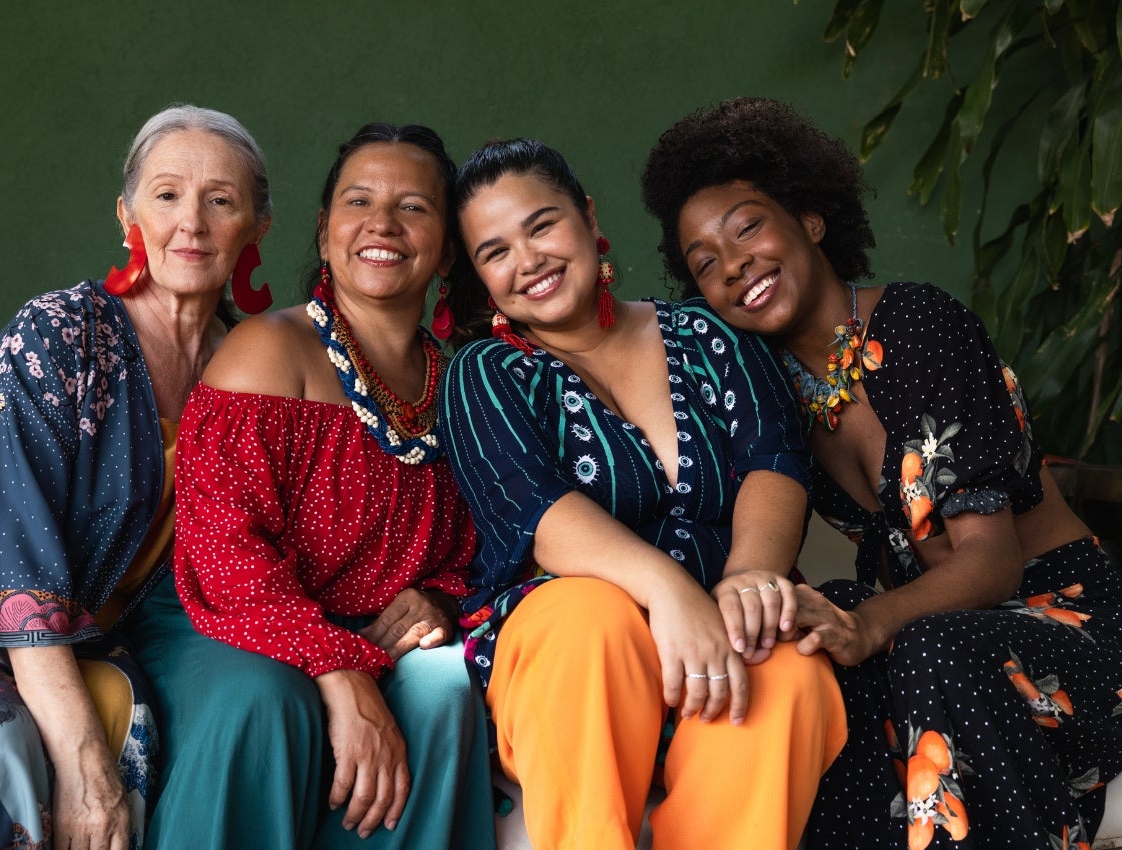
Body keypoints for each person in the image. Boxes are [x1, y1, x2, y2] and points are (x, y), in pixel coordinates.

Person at [640, 96, 1122, 849]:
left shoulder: (917, 326)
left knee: (912, 641)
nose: (735, 265)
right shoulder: (771, 398)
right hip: (936, 648)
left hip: (1064, 625)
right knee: (810, 636)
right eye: (706, 264)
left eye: (748, 227)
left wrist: (866, 624)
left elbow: (990, 564)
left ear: (809, 219)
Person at [438, 138, 846, 850]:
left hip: (723, 622)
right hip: (573, 648)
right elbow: (538, 514)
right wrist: (671, 594)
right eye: (494, 251)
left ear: (585, 215)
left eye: (541, 226)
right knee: (585, 614)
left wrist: (749, 577)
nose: (528, 260)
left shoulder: (708, 332)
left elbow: (771, 461)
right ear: (478, 275)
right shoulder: (487, 372)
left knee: (787, 668)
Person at [0, 104, 273, 850]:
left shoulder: (258, 366)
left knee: (143, 736)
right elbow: (5, 560)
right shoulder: (60, 333)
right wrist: (82, 759)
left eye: (220, 200)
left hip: (106, 640)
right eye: (166, 195)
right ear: (128, 215)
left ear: (255, 227)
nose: (191, 222)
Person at [168, 122, 496, 850]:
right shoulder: (269, 351)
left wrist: (437, 599)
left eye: (413, 207)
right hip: (238, 616)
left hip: (376, 631)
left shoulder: (460, 385)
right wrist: (335, 664)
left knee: (444, 689)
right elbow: (223, 549)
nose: (382, 223)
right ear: (324, 234)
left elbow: (487, 545)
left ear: (445, 247)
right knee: (268, 701)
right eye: (359, 201)